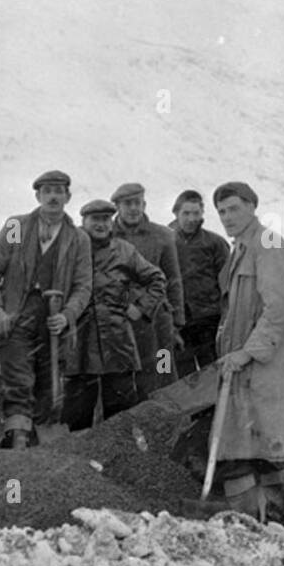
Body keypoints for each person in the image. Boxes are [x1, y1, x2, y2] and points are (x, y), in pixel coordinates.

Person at [0, 170, 93, 449]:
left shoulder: (78, 238)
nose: (53, 196)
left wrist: (67, 315)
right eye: (47, 191)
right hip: (15, 319)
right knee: (18, 382)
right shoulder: (17, 227)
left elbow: (83, 287)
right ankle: (17, 442)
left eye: (59, 191)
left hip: (53, 324)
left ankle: (39, 454)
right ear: (38, 196)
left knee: (49, 385)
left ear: (68, 197)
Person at [212, 181, 284, 521]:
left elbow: (278, 309)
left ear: (252, 207)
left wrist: (247, 352)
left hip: (262, 367)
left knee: (268, 450)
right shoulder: (241, 249)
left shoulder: (268, 244)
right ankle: (249, 522)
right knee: (240, 450)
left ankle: (276, 521)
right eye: (221, 211)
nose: (227, 217)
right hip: (240, 366)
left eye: (234, 208)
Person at [63, 198, 167, 430]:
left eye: (105, 219)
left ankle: (117, 463)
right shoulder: (69, 248)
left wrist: (140, 308)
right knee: (76, 415)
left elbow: (157, 279)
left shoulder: (124, 251)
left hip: (117, 342)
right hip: (78, 342)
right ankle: (76, 463)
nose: (101, 224)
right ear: (84, 221)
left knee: (119, 416)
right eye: (95, 219)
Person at [111, 182, 185, 399]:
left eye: (137, 203)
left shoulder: (163, 235)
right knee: (124, 375)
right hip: (121, 316)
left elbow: (173, 279)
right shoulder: (106, 235)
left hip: (157, 319)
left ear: (144, 204)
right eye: (127, 203)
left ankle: (167, 417)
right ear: (117, 206)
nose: (133, 208)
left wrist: (177, 321)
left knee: (163, 368)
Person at [168, 189, 229, 376]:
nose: (191, 218)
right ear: (176, 213)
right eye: (186, 213)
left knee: (212, 373)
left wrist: (226, 317)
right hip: (177, 322)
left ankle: (214, 406)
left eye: (196, 213)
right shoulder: (165, 241)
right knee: (179, 375)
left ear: (202, 214)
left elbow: (228, 284)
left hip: (208, 321)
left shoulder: (215, 243)